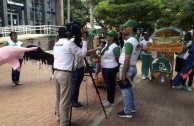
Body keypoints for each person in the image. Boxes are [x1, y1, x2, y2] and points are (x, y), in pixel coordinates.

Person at [53, 27, 88, 126]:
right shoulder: (69, 44)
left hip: (55, 73)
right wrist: (84, 40)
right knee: (65, 99)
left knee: (58, 97)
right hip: (65, 74)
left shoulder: (56, 44)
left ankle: (59, 117)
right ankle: (64, 123)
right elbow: (83, 54)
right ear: (68, 34)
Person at [117, 19, 141, 118]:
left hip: (126, 67)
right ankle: (132, 107)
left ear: (131, 29)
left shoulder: (130, 41)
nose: (124, 29)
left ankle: (127, 112)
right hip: (132, 66)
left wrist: (123, 74)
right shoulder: (136, 40)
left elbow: (127, 59)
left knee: (125, 90)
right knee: (129, 88)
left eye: (126, 27)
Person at [100, 30, 121, 107]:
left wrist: (117, 66)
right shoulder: (107, 44)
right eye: (107, 35)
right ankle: (108, 99)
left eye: (109, 35)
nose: (107, 36)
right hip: (105, 67)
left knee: (111, 84)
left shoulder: (115, 46)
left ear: (112, 37)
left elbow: (117, 57)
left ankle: (111, 101)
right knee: (107, 84)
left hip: (111, 67)